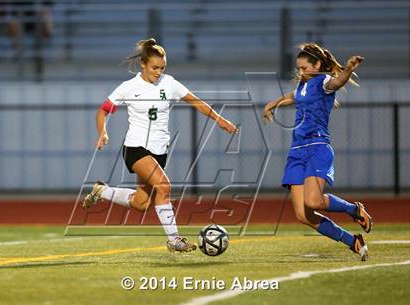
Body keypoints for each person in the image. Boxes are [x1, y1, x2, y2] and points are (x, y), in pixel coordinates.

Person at [82, 38, 238, 253]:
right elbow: (103, 110)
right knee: (163, 186)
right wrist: (103, 132)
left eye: (162, 67)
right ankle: (174, 240)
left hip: (159, 150)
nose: (158, 72)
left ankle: (102, 191)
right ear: (143, 64)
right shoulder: (129, 88)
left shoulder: (169, 83)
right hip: (136, 148)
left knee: (141, 204)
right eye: (155, 67)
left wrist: (220, 120)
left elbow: (196, 102)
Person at [262, 43, 372, 261]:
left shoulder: (323, 82)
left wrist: (348, 69)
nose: (300, 72)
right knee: (303, 215)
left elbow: (338, 82)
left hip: (317, 148)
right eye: (299, 68)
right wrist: (271, 104)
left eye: (304, 68)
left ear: (317, 65)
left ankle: (353, 209)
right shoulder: (304, 85)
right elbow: (293, 96)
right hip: (296, 152)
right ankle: (353, 241)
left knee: (313, 202)